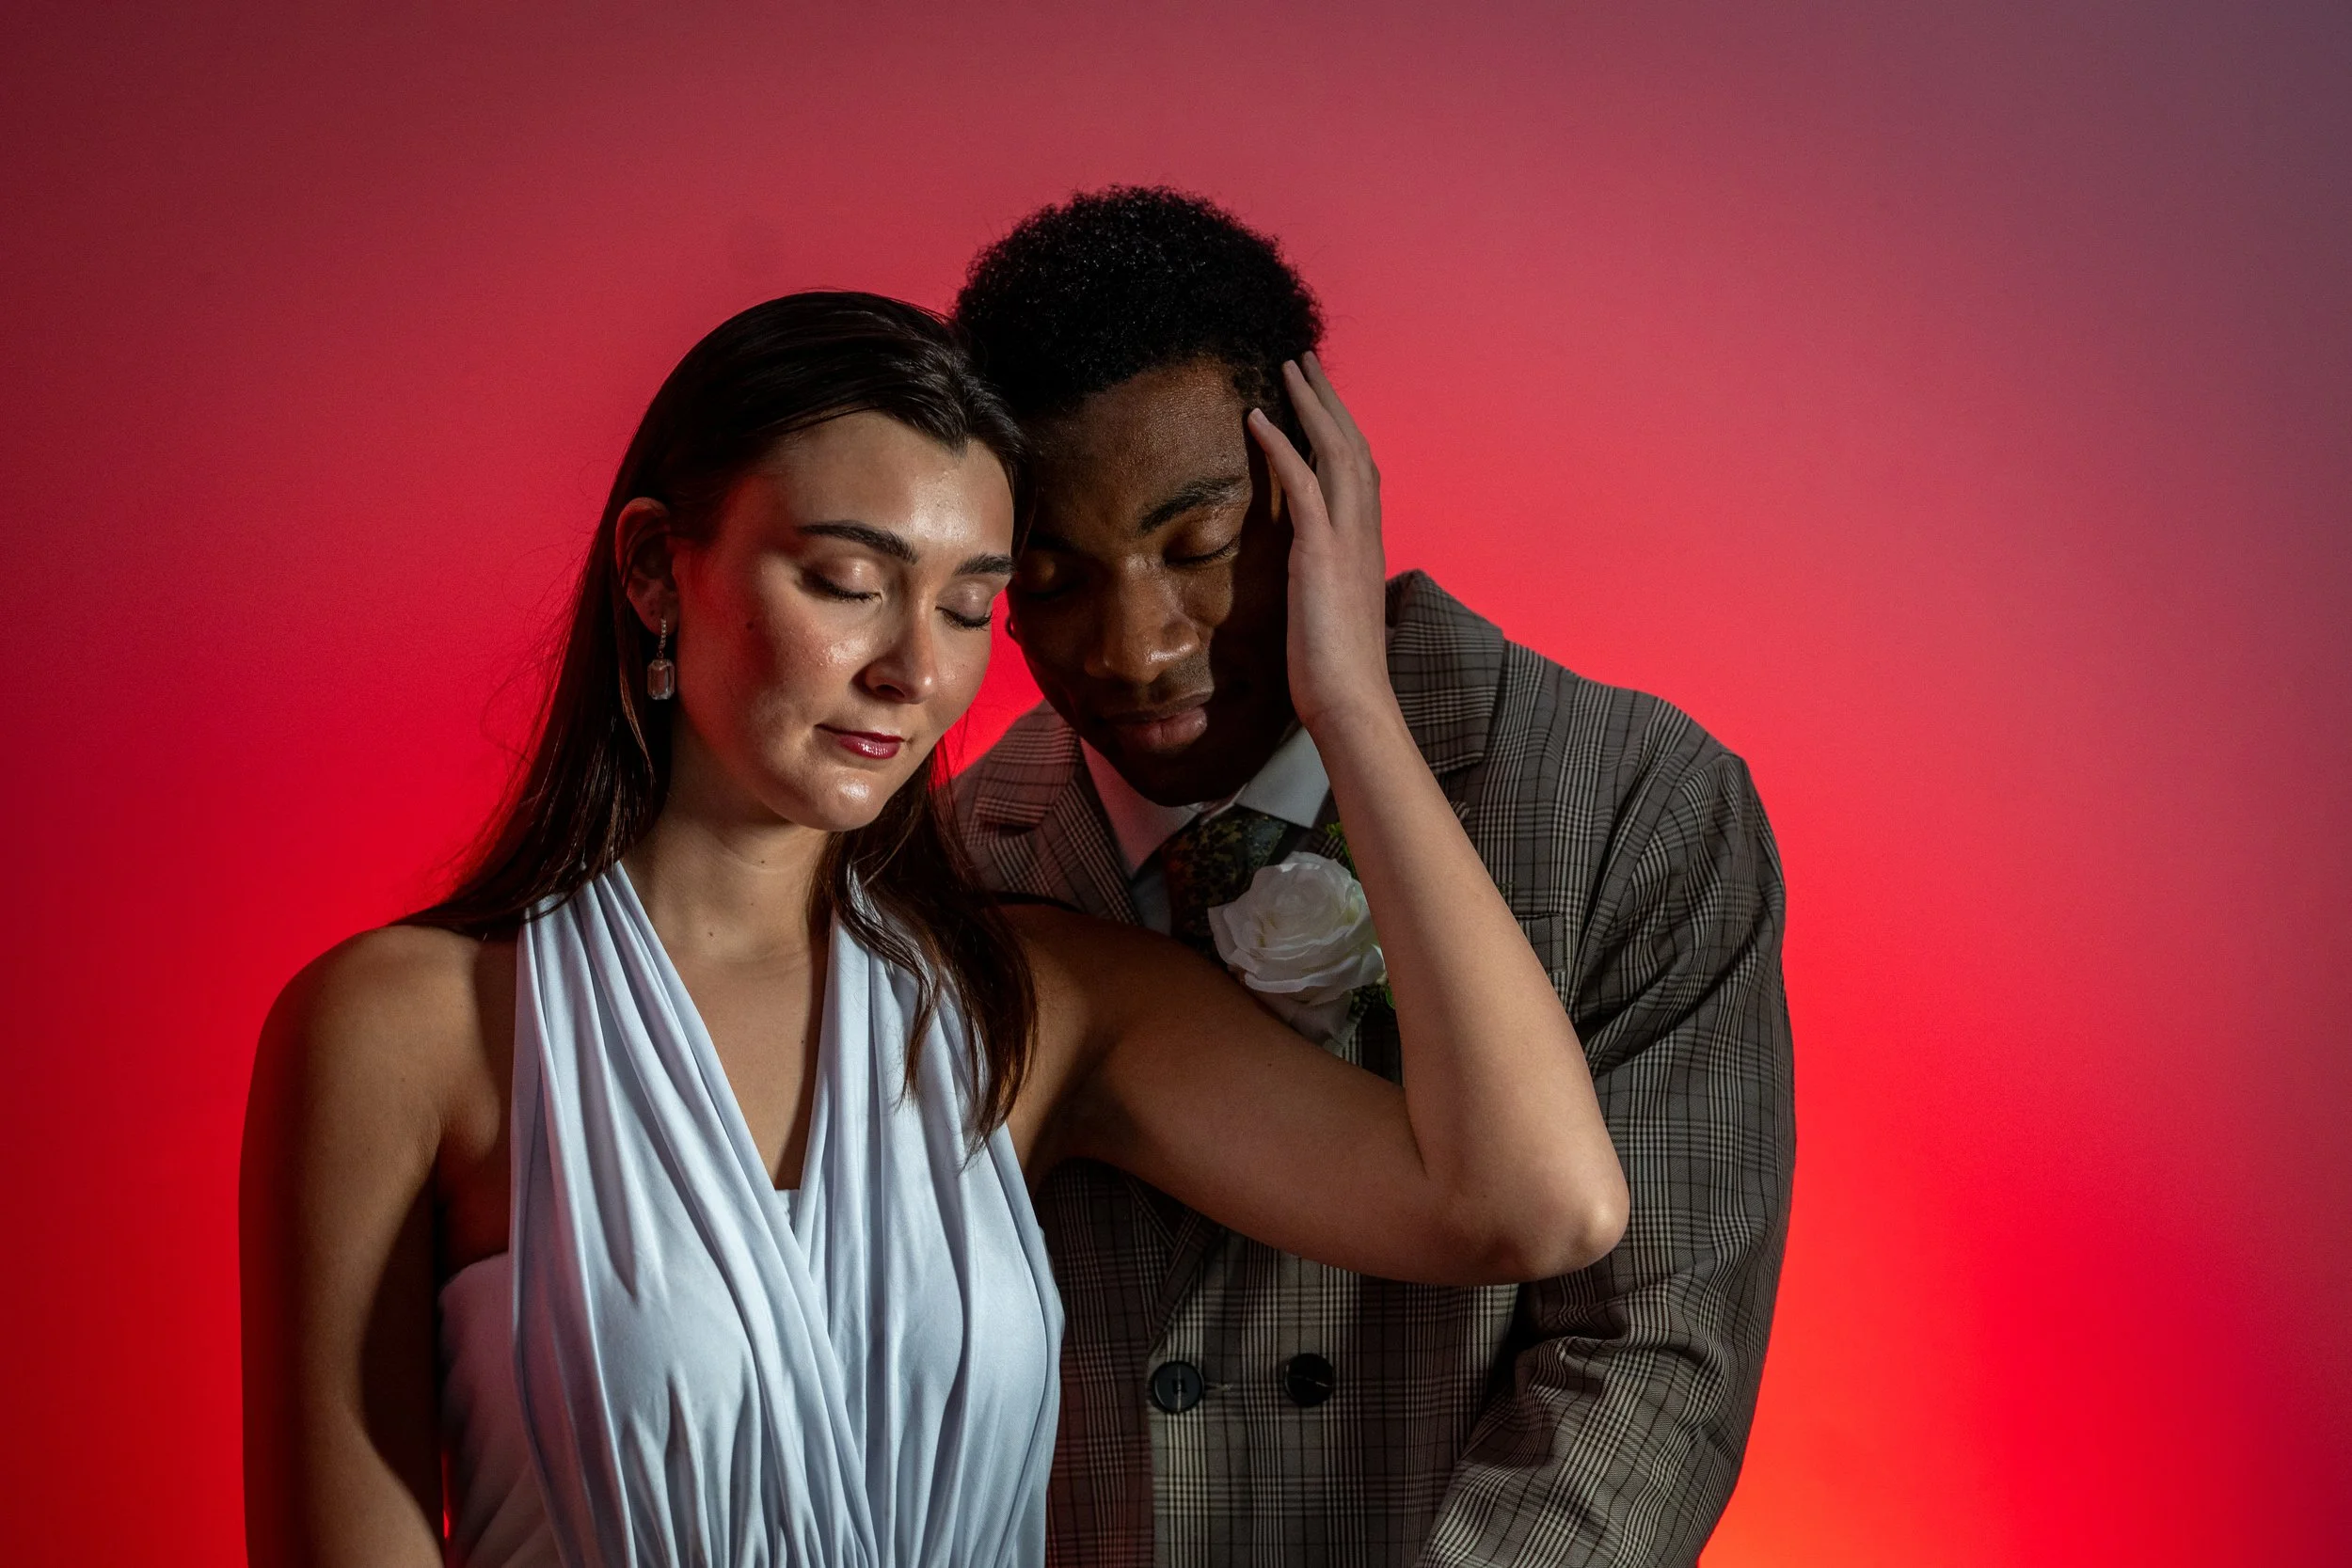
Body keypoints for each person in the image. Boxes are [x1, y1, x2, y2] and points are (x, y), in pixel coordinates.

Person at [238, 290, 1628, 1568]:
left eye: (971, 604)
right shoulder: (400, 1028)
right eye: (848, 581)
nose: (914, 667)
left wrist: (1350, 696)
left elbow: (1533, 1201)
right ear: (658, 570)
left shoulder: (1032, 1000)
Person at [950, 188, 1795, 1566]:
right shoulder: (949, 869)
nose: (1135, 643)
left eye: (1200, 547)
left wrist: (1353, 707)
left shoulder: (1636, 806)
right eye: (1050, 577)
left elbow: (1652, 1354)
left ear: (1317, 489)